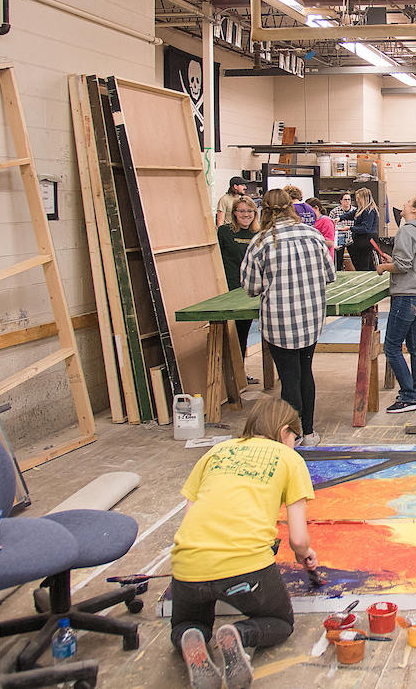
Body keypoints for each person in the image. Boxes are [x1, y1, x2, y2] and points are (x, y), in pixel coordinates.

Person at [170, 396, 316, 689]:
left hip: (188, 565)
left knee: (186, 624)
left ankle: (192, 637)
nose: (294, 444)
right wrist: (305, 554)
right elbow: (298, 538)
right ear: (284, 431)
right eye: (294, 438)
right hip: (245, 570)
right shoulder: (290, 459)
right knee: (280, 622)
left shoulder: (216, 452)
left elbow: (189, 516)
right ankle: (240, 635)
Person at [241, 189, 335, 448]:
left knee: (289, 377)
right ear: (291, 207)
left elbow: (250, 287)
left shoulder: (260, 242)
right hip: (310, 317)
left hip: (279, 320)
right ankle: (308, 433)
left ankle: (290, 437)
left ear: (265, 210)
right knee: (305, 372)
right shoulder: (313, 235)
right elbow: (330, 274)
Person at [375, 196, 416, 414]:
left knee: (391, 347)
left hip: (407, 295)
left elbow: (403, 266)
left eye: (407, 202)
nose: (402, 204)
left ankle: (408, 396)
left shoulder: (406, 230)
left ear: (413, 210)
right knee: (414, 346)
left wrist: (384, 268)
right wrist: (392, 261)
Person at [217, 195, 259, 363]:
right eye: (241, 211)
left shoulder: (258, 233)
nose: (245, 214)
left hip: (249, 291)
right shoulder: (225, 232)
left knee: (242, 333)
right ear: (234, 213)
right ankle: (229, 372)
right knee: (228, 334)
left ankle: (240, 372)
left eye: (249, 211)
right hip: (229, 290)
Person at [348, 187, 380, 272]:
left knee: (363, 265)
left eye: (358, 198)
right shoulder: (360, 209)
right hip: (362, 239)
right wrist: (339, 219)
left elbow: (365, 228)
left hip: (366, 240)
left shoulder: (369, 211)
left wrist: (350, 228)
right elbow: (351, 215)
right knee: (366, 263)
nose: (357, 200)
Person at [329, 192, 356, 270]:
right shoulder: (334, 212)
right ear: (341, 201)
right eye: (345, 200)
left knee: (355, 258)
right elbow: (330, 224)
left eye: (349, 199)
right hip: (339, 238)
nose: (347, 201)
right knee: (338, 259)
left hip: (351, 238)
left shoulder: (355, 211)